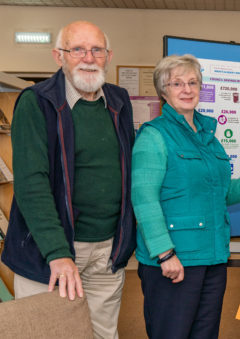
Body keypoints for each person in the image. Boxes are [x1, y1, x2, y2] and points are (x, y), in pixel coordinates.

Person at [1, 21, 136, 339]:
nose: (88, 57)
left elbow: (128, 168)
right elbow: (32, 184)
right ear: (58, 56)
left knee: (102, 331)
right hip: (51, 252)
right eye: (77, 49)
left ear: (108, 55)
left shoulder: (119, 101)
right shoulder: (36, 103)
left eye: (96, 50)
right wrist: (58, 253)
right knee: (46, 331)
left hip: (107, 251)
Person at [132, 54, 240, 338]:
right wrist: (165, 254)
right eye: (177, 83)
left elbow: (218, 193)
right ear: (163, 91)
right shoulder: (154, 135)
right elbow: (144, 198)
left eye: (192, 82)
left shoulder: (208, 135)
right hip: (175, 260)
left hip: (212, 257)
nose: (186, 89)